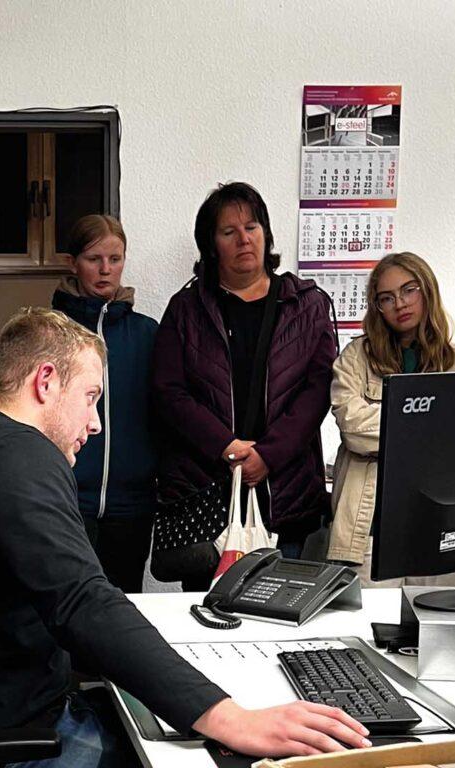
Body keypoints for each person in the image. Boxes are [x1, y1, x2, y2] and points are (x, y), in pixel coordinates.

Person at [0, 307, 371, 765]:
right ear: (45, 382)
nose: (94, 423)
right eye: (91, 397)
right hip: (10, 737)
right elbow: (82, 602)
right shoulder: (14, 455)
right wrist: (230, 717)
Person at [152, 182, 336, 590]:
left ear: (266, 233)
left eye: (251, 227)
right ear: (211, 244)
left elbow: (318, 389)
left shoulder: (308, 304)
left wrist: (267, 455)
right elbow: (169, 392)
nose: (243, 239)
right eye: (228, 231)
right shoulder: (186, 309)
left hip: (286, 495)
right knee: (209, 620)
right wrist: (229, 447)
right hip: (207, 494)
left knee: (281, 616)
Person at [326, 253, 455, 585]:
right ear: (376, 307)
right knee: (363, 633)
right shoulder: (355, 358)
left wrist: (403, 432)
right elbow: (353, 429)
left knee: (437, 632)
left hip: (439, 530)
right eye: (386, 298)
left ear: (427, 290)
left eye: (409, 290)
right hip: (368, 530)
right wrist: (430, 430)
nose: (400, 303)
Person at [51, 214, 158, 594]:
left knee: (124, 602)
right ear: (73, 263)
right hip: (67, 496)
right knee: (68, 602)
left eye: (115, 259)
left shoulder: (146, 333)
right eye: (94, 259)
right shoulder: (50, 331)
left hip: (131, 504)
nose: (105, 270)